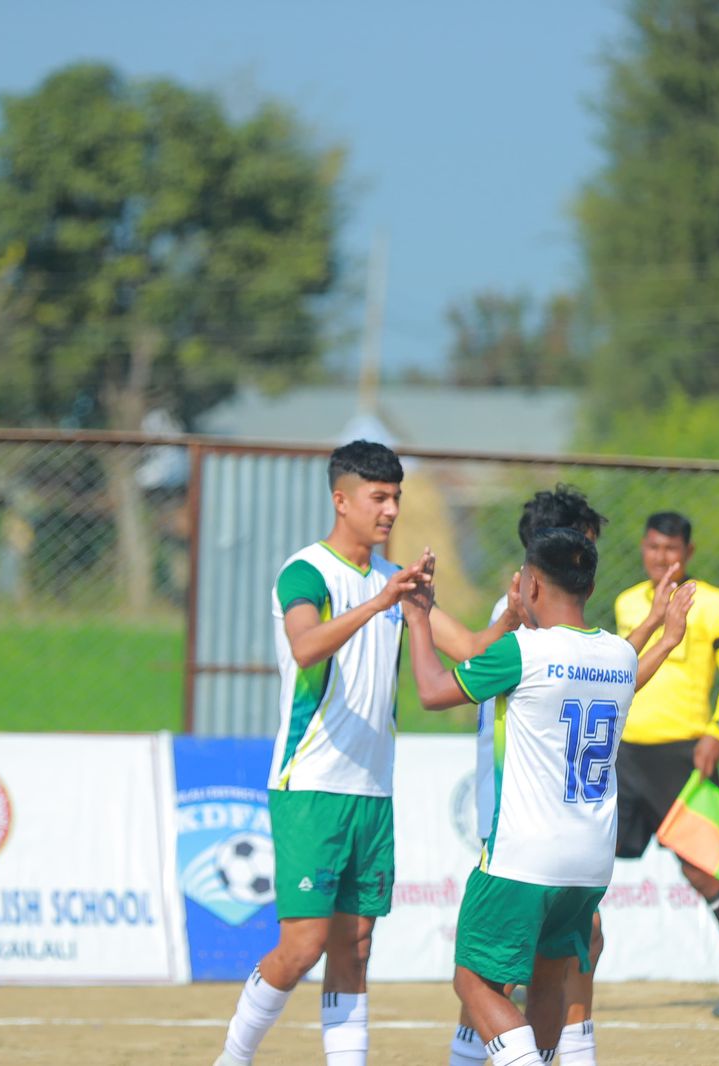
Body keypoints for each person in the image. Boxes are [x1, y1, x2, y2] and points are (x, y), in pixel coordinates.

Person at [213, 440, 510, 1066]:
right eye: (378, 497)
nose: (391, 509)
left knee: (356, 946)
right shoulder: (307, 572)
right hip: (310, 787)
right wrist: (380, 603)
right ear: (341, 500)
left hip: (372, 792)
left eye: (396, 496)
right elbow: (304, 647)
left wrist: (517, 609)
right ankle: (232, 1058)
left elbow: (471, 649)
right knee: (303, 946)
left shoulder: (393, 580)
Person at [449, 486, 694, 1066]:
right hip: (536, 822)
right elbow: (603, 672)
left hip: (536, 826)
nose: (587, 557)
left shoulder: (549, 632)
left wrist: (656, 627)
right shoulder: (525, 625)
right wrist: (660, 632)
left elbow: (606, 673)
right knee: (519, 971)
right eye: (584, 542)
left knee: (500, 974)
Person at [405, 527, 638, 1066]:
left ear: (531, 584)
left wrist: (418, 619)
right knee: (548, 978)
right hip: (590, 859)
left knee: (474, 982)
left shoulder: (524, 651)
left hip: (524, 855)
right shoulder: (622, 656)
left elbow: (433, 691)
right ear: (590, 586)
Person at [612, 511, 719, 1017]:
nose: (661, 557)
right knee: (586, 857)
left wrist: (717, 731)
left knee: (702, 871)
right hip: (623, 754)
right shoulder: (627, 603)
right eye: (653, 547)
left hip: (683, 756)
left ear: (689, 552)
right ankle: (541, 970)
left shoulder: (714, 603)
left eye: (671, 549)